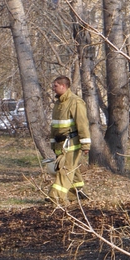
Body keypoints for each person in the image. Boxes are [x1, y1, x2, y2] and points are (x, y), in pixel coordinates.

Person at [48, 75, 91, 204]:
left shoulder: (75, 102)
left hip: (71, 143)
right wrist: (53, 142)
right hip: (59, 143)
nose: (53, 88)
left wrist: (85, 144)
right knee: (72, 168)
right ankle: (75, 192)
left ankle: (56, 197)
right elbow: (55, 125)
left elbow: (82, 123)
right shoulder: (58, 102)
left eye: (55, 86)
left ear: (63, 86)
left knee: (65, 169)